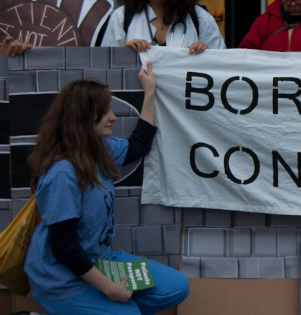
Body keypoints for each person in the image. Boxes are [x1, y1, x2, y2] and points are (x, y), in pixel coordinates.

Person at [24, 67, 190, 315]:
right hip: (62, 278)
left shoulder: (99, 148)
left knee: (176, 287)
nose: (113, 117)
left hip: (102, 261)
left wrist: (150, 91)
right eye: (104, 112)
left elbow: (138, 145)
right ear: (82, 117)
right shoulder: (62, 174)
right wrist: (110, 290)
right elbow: (64, 248)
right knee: (129, 312)